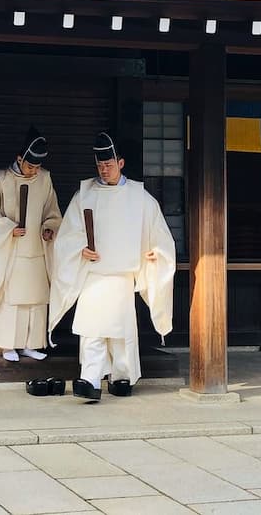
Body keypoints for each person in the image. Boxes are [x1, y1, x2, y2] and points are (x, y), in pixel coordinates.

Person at [48, 131, 176, 401]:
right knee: (92, 330)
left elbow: (159, 234)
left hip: (121, 275)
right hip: (93, 275)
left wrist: (156, 252)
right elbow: (67, 236)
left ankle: (122, 377)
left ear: (121, 163)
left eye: (108, 164)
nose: (103, 170)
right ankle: (91, 378)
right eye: (99, 165)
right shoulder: (84, 195)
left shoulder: (140, 197)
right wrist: (79, 249)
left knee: (120, 333)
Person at [0, 127, 62, 362]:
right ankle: (8, 344)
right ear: (19, 159)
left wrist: (49, 228)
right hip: (10, 252)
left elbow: (52, 211)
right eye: (30, 166)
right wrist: (7, 229)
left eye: (37, 167)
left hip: (36, 250)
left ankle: (31, 343)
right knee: (12, 300)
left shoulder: (45, 180)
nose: (34, 171)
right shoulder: (0, 181)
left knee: (35, 299)